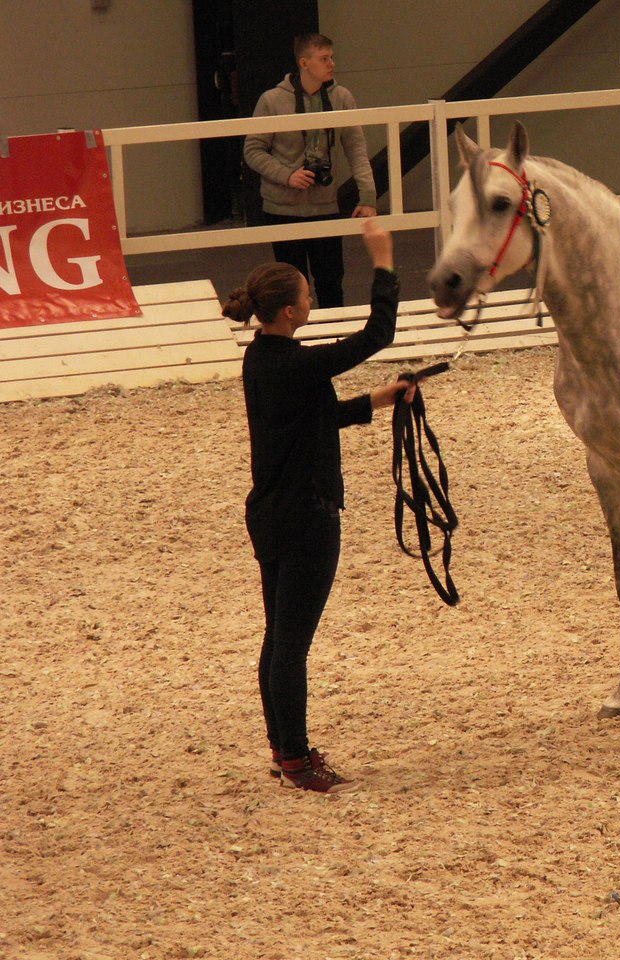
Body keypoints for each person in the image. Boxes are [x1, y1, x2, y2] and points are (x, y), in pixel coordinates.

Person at [222, 218, 413, 794]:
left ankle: (283, 748)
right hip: (307, 515)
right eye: (307, 296)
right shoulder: (298, 363)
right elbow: (377, 335)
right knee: (291, 645)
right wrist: (383, 261)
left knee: (278, 636)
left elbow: (316, 417)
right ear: (289, 311)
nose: (311, 301)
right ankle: (298, 760)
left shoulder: (263, 359)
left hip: (270, 512)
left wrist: (378, 400)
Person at [243, 33, 377, 308]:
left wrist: (368, 196)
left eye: (332, 57)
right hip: (281, 209)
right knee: (289, 290)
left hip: (325, 205)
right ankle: (293, 336)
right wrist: (287, 175)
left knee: (331, 283)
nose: (332, 64)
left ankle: (335, 333)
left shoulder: (341, 97)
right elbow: (253, 151)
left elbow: (356, 149)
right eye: (324, 59)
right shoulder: (271, 100)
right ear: (304, 63)